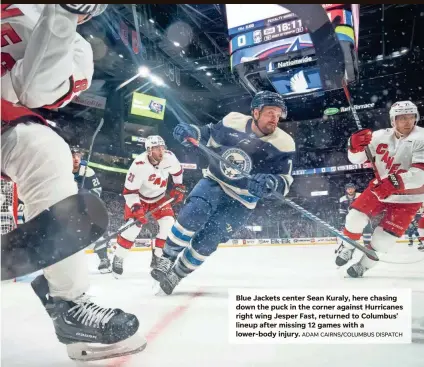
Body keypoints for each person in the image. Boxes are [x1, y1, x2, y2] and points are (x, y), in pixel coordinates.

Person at [1, 4, 145, 360]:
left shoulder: (77, 49)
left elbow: (33, 91)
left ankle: (69, 306)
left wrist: (63, 14)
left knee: (46, 150)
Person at [151, 91, 296, 295]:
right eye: (270, 112)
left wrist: (272, 182)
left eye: (278, 114)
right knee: (194, 212)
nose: (275, 118)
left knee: (210, 239)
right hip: (215, 181)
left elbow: (285, 180)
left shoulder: (284, 143)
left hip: (243, 200)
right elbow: (208, 135)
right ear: (255, 112)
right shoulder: (233, 121)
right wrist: (192, 132)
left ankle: (178, 272)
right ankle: (166, 258)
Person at [335, 100, 424, 277]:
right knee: (354, 218)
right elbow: (357, 159)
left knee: (383, 240)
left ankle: (364, 265)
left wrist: (393, 182)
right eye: (402, 118)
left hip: (409, 198)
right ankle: (347, 247)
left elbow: (422, 173)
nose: (407, 122)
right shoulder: (379, 136)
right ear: (393, 120)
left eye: (411, 117)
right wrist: (353, 147)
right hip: (379, 190)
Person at [112, 135, 186, 278]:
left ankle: (158, 257)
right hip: (139, 198)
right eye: (157, 148)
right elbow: (129, 192)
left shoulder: (169, 157)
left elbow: (178, 172)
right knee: (134, 227)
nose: (161, 151)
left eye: (162, 147)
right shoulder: (139, 165)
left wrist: (178, 186)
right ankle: (119, 257)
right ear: (149, 150)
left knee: (169, 225)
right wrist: (136, 208)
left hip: (159, 198)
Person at [71, 147, 110, 272]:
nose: (76, 158)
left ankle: (104, 258)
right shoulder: (62, 171)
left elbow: (97, 189)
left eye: (78, 155)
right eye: (73, 156)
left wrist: (87, 194)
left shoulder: (88, 171)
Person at [337, 182, 372, 248]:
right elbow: (342, 212)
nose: (350, 190)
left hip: (362, 216)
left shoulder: (360, 195)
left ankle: (367, 244)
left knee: (367, 229)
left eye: (352, 188)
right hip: (351, 218)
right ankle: (349, 246)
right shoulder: (342, 199)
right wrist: (342, 222)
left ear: (354, 189)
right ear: (346, 190)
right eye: (348, 189)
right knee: (351, 232)